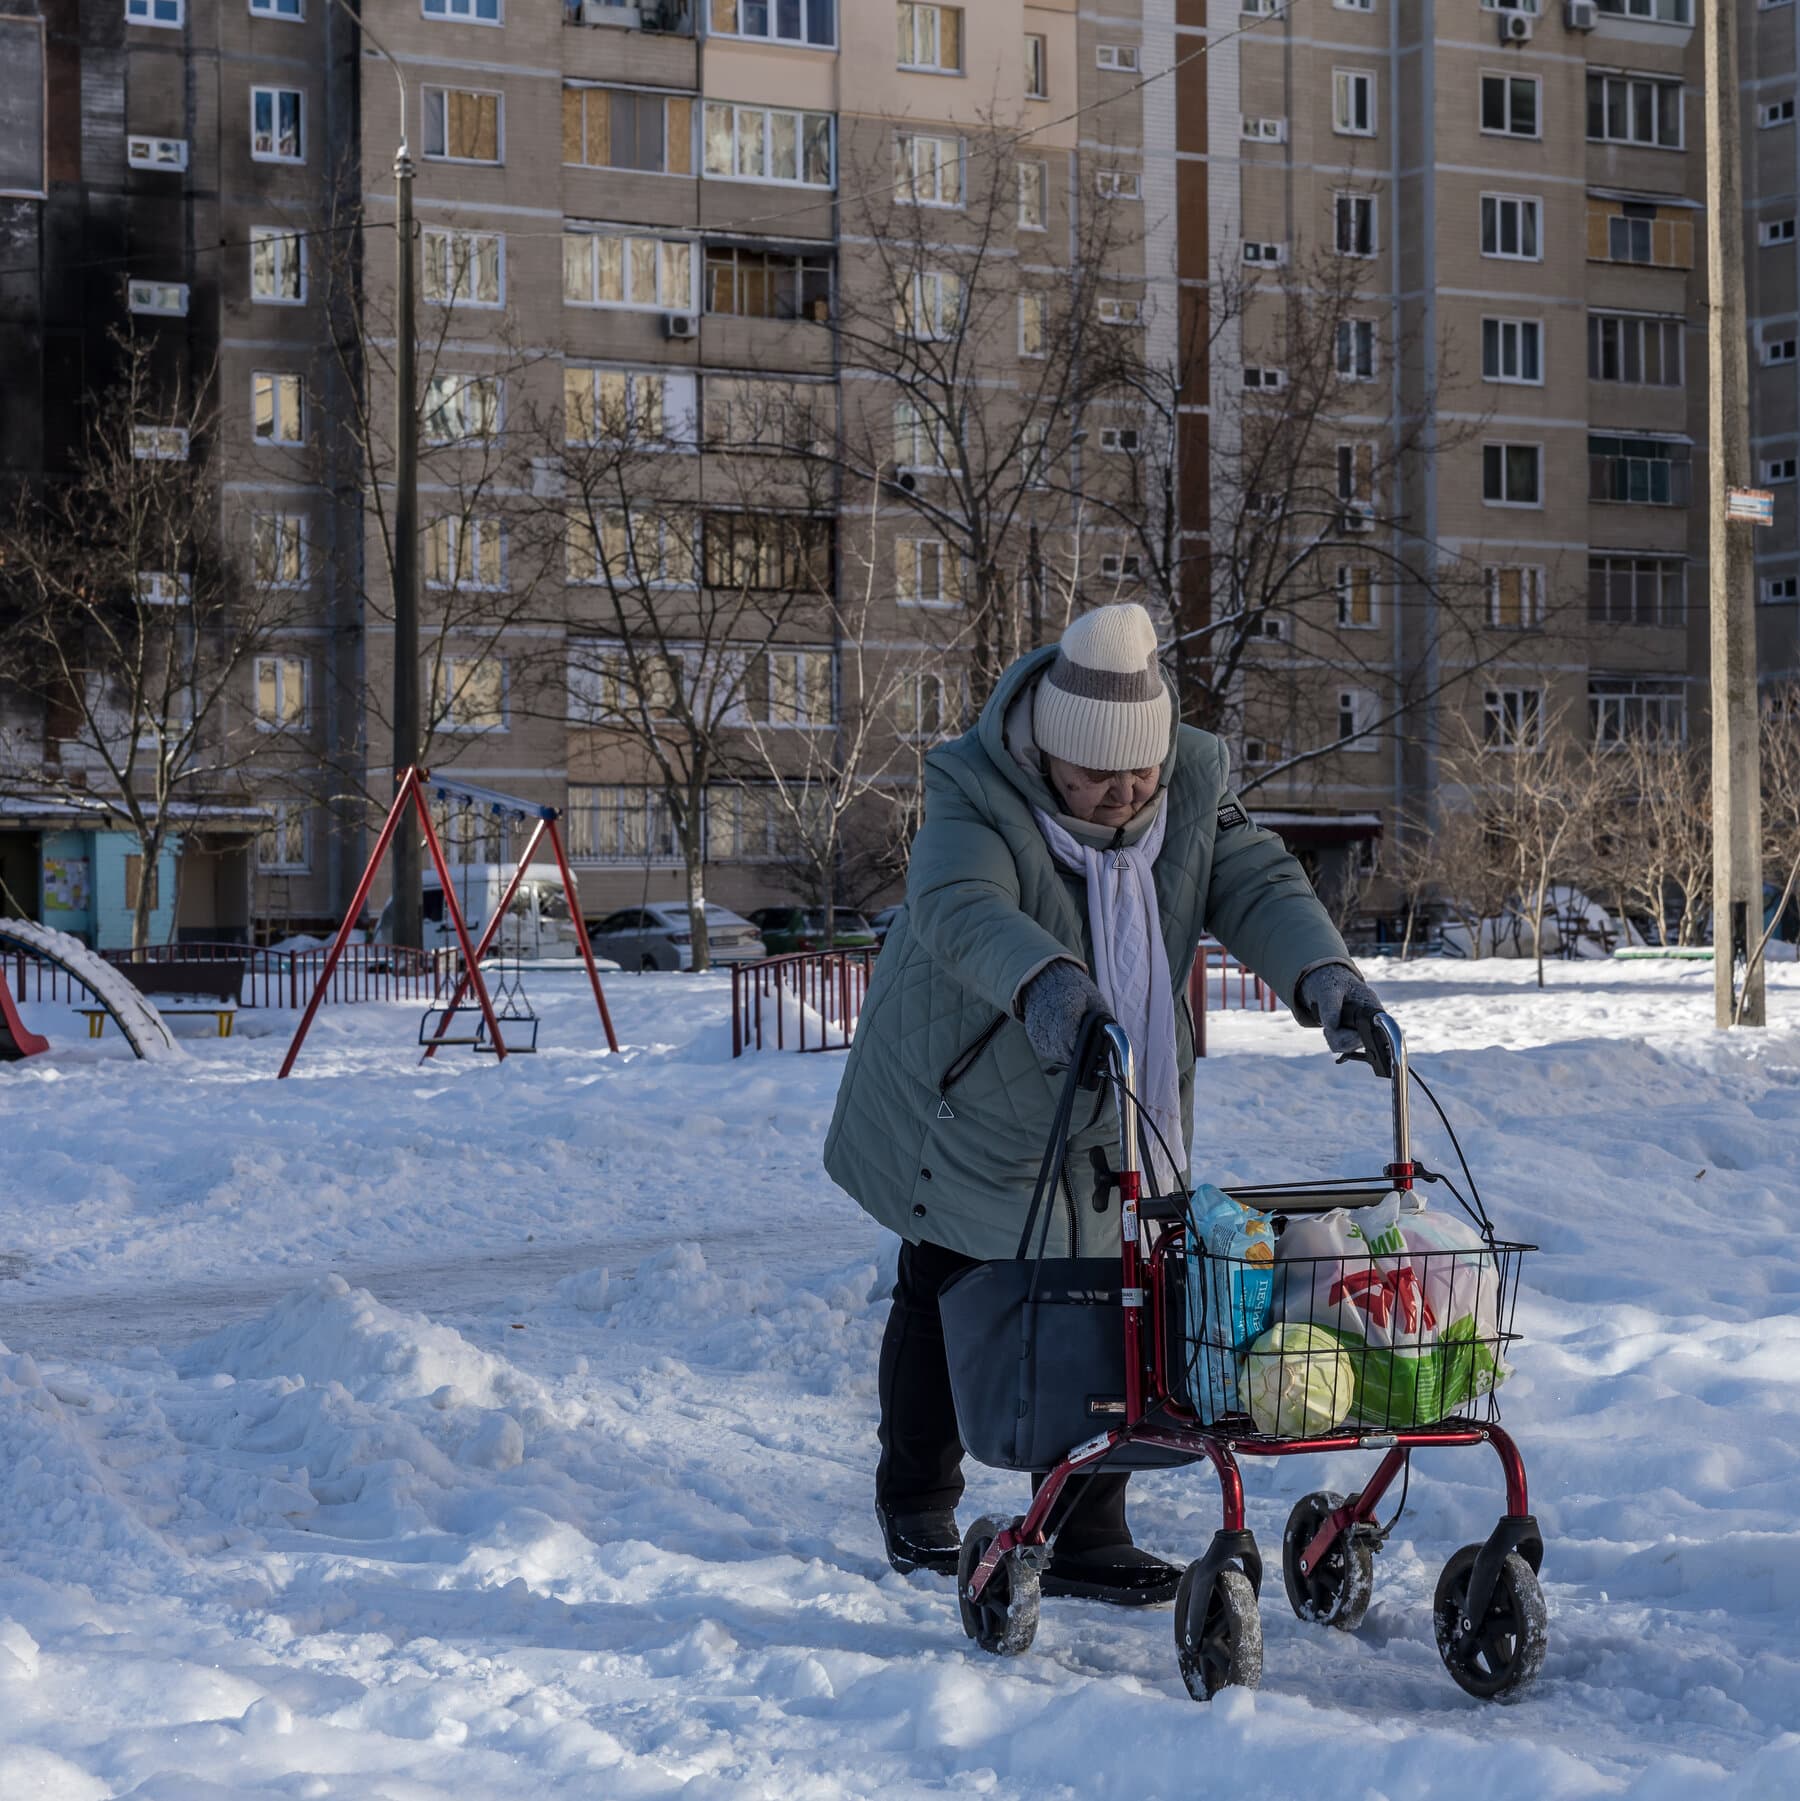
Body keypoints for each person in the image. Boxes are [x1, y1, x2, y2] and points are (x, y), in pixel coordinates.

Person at [824, 603, 1386, 1605]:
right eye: (1098, 779)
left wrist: (1324, 975)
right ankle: (916, 1499)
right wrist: (1044, 979)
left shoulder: (1193, 780)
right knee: (955, 1276)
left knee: (1118, 1286)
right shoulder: (973, 785)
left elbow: (1253, 880)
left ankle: (1086, 1524)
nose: (1126, 797)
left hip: (1113, 1084)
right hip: (971, 1079)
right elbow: (962, 906)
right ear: (1047, 753)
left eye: (1142, 775)